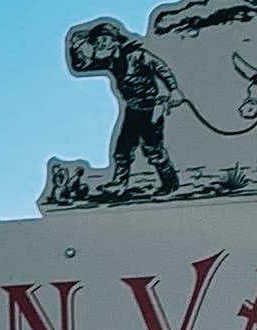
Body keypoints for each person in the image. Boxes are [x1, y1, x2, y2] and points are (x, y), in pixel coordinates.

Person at [65, 17, 185, 196]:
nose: (100, 44)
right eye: (97, 41)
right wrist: (76, 46)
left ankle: (170, 183)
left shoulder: (137, 55)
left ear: (115, 41)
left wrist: (173, 90)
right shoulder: (110, 61)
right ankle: (119, 184)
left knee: (153, 148)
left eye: (104, 40)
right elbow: (81, 66)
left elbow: (161, 68)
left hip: (151, 108)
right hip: (133, 109)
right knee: (123, 148)